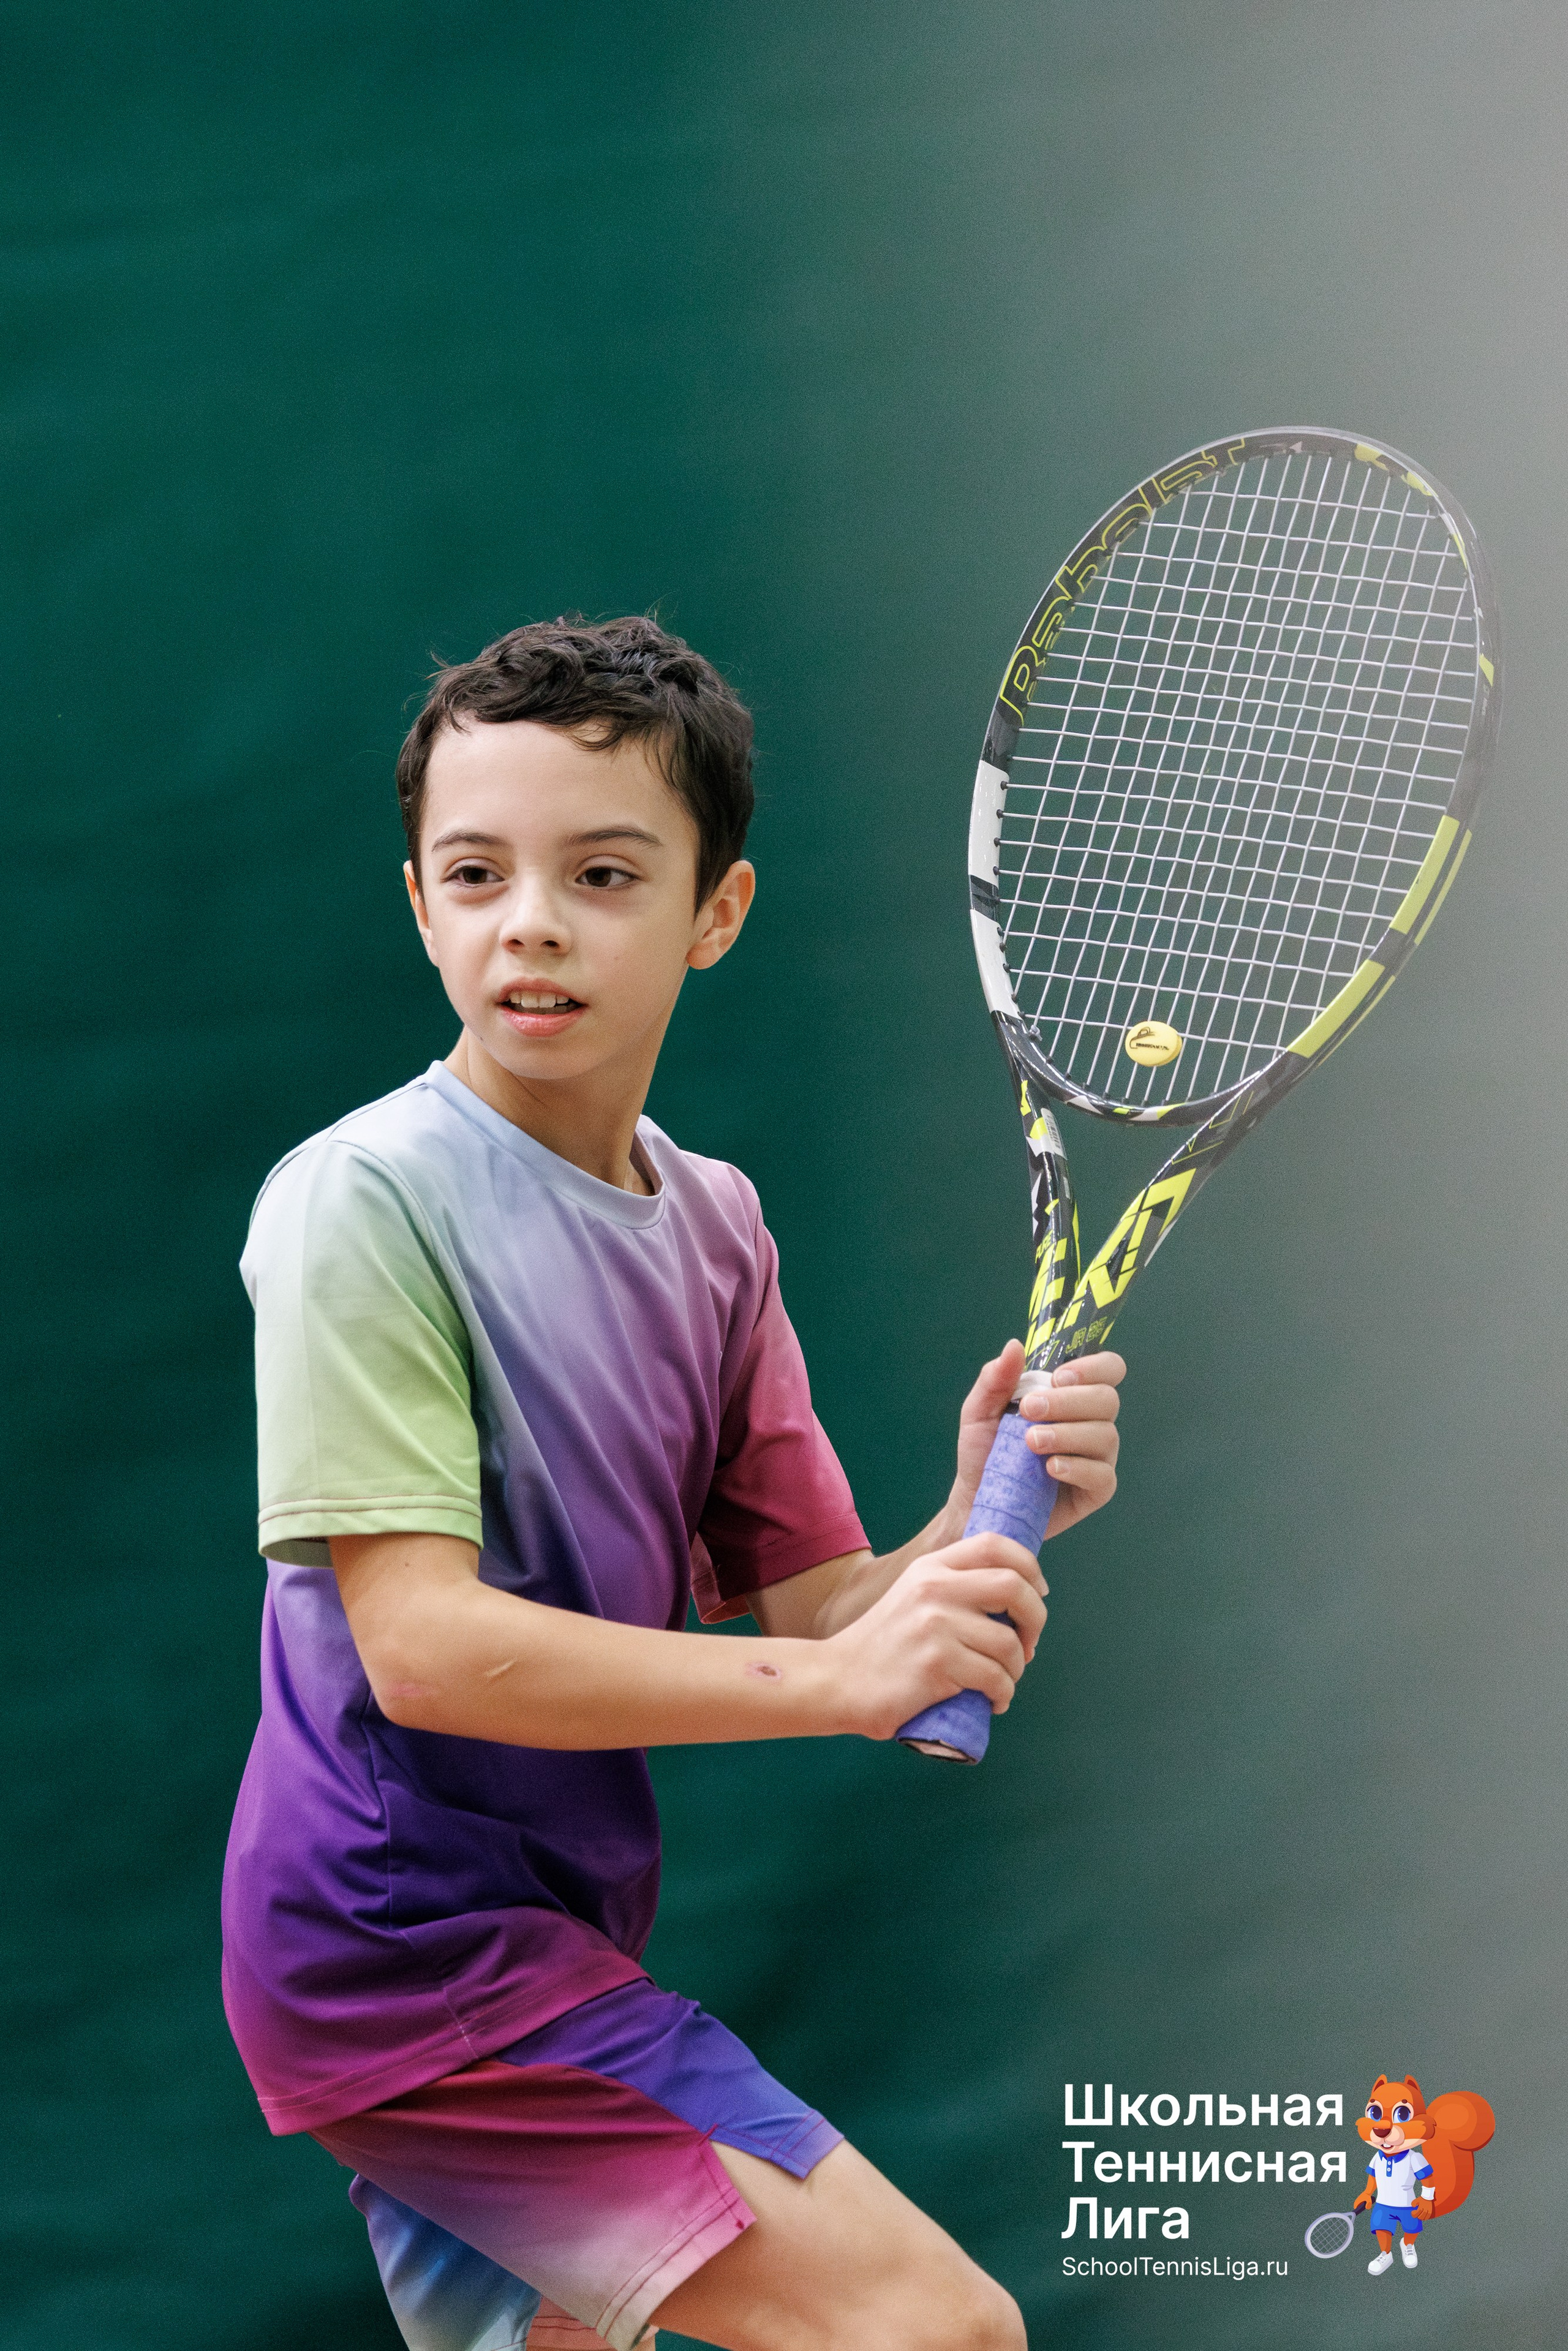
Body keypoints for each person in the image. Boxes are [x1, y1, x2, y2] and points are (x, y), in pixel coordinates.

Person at [224, 616, 1126, 2351]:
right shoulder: (361, 1203)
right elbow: (418, 1647)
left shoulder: (714, 1224)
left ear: (718, 913)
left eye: (605, 871)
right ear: (419, 905)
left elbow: (817, 1605)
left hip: (542, 1931)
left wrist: (969, 1522)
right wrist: (847, 1684)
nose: (531, 921)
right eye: (474, 873)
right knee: (940, 2331)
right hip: (400, 1949)